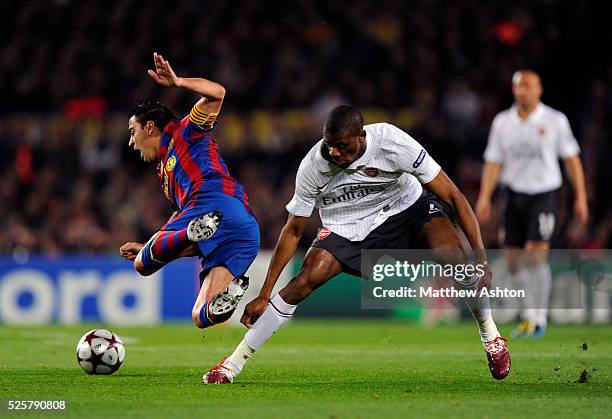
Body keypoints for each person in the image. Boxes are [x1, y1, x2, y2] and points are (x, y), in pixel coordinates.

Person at [203, 105, 511, 384]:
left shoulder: (392, 141)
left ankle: (491, 336)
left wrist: (480, 258)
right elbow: (293, 231)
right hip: (347, 224)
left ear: (362, 138)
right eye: (330, 145)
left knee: (456, 259)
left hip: (407, 208)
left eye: (343, 146)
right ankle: (232, 364)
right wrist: (264, 294)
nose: (335, 153)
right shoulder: (313, 166)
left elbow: (454, 196)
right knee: (303, 281)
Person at [119, 52, 260, 329]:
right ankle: (232, 294)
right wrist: (152, 245)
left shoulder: (185, 130)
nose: (130, 142)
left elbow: (217, 93)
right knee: (202, 316)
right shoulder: (164, 172)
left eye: (132, 132)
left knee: (142, 265)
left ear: (149, 127)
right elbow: (182, 230)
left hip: (214, 202)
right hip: (242, 227)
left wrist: (179, 82)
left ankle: (188, 232)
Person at [475, 70, 588, 338]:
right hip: (513, 194)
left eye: (526, 85)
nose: (521, 90)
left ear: (539, 89)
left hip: (545, 193)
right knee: (513, 259)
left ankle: (540, 317)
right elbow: (493, 162)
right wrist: (484, 196)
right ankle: (528, 315)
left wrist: (581, 196)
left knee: (536, 253)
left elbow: (571, 159)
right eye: (516, 86)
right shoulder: (503, 122)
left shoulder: (555, 120)